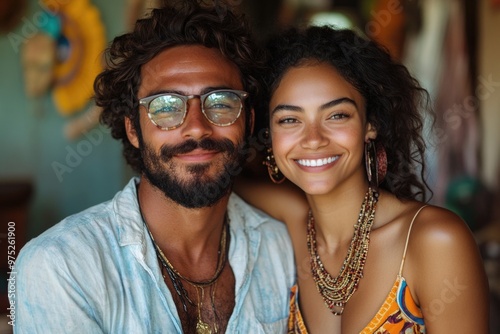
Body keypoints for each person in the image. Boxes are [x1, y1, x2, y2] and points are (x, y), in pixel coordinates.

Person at [10, 1, 295, 333]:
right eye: (165, 107)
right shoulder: (62, 266)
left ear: (248, 122)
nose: (196, 127)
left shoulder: (279, 248)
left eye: (220, 102)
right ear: (133, 129)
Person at [235, 25, 489, 333]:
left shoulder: (434, 240)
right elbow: (214, 183)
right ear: (270, 137)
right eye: (289, 120)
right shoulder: (293, 221)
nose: (313, 139)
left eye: (337, 115)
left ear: (370, 124)